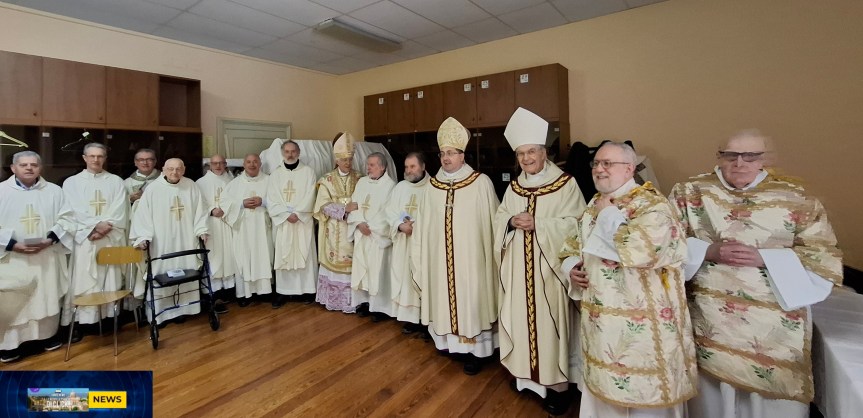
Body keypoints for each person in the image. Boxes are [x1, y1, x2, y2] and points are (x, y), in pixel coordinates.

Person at [670, 130, 843, 418]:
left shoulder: (795, 197)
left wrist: (766, 258)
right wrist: (709, 251)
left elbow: (823, 257)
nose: (739, 163)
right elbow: (662, 241)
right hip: (709, 317)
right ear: (719, 156)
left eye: (750, 156)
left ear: (765, 159)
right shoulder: (690, 192)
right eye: (731, 155)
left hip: (772, 321)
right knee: (712, 399)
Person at [559, 141, 696, 417]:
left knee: (645, 396)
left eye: (607, 163)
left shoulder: (653, 205)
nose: (599, 169)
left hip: (643, 324)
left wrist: (607, 214)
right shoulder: (594, 203)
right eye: (596, 163)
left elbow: (643, 250)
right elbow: (573, 244)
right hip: (601, 324)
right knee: (605, 389)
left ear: (630, 168)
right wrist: (572, 266)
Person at [494, 108, 586, 414]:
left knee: (550, 325)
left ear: (543, 152)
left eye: (531, 151)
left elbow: (578, 224)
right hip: (519, 270)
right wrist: (509, 222)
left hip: (550, 272)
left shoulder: (566, 184)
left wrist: (540, 225)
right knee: (521, 321)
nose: (526, 159)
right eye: (521, 153)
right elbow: (499, 218)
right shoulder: (514, 186)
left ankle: (558, 386)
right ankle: (525, 377)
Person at [414, 117, 500, 375]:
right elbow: (423, 226)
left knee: (472, 298)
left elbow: (492, 224)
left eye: (451, 153)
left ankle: (475, 350)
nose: (446, 158)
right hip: (440, 259)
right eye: (442, 153)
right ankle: (449, 342)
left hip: (471, 260)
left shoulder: (480, 182)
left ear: (463, 155)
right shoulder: (431, 187)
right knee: (444, 294)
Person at [0, 151, 75, 363]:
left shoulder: (54, 191)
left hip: (45, 256)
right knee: (15, 299)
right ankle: (9, 346)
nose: (29, 168)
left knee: (45, 296)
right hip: (12, 259)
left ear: (40, 168)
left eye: (34, 164)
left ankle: (46, 337)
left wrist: (50, 239)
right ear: (13, 168)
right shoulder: (1, 192)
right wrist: (13, 245)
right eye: (23, 165)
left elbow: (68, 219)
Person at [61, 143, 129, 341]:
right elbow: (72, 210)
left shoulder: (116, 181)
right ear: (84, 158)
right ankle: (84, 323)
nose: (96, 160)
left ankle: (108, 319)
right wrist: (93, 227)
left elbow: (120, 209)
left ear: (105, 158)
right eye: (92, 156)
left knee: (109, 278)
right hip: (85, 240)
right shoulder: (71, 183)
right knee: (84, 279)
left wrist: (104, 227)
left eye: (100, 156)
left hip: (108, 238)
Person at [130, 158, 209, 325]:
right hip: (161, 242)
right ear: (163, 170)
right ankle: (161, 313)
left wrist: (202, 230)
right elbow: (142, 215)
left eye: (179, 169)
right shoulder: (153, 189)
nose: (175, 172)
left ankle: (184, 309)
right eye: (171, 169)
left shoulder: (191, 186)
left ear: (184, 169)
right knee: (162, 271)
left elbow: (200, 210)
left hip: (186, 238)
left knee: (186, 269)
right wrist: (143, 236)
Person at [314, 133, 362, 313]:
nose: (347, 163)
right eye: (343, 160)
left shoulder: (360, 178)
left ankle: (354, 302)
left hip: (354, 229)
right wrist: (344, 209)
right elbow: (322, 206)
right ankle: (335, 300)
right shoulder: (326, 180)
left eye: (350, 159)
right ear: (337, 159)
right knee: (335, 264)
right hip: (334, 231)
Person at [267, 140, 318, 308]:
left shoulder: (309, 172)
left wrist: (299, 213)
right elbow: (271, 198)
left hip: (302, 221)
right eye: (287, 151)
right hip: (284, 222)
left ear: (299, 153)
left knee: (304, 251)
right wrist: (285, 214)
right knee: (284, 254)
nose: (290, 154)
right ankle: (282, 291)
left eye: (293, 151)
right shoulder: (275, 174)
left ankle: (307, 290)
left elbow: (311, 195)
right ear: (282, 153)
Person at [348, 152, 396, 320]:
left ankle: (380, 307)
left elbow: (388, 213)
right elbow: (354, 206)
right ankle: (365, 302)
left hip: (377, 237)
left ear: (382, 166)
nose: (368, 168)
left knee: (377, 271)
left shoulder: (390, 186)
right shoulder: (361, 182)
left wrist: (373, 228)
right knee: (363, 269)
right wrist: (359, 223)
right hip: (362, 233)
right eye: (368, 164)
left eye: (373, 165)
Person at [221, 154, 273, 307]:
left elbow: (279, 201)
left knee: (264, 256)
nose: (252, 164)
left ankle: (265, 291)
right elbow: (224, 203)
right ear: (243, 164)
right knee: (243, 258)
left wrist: (263, 202)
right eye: (249, 162)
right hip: (242, 228)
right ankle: (245, 293)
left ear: (260, 163)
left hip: (262, 228)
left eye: (255, 161)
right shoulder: (234, 183)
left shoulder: (269, 181)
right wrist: (241, 204)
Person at [385, 152, 429, 333]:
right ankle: (410, 319)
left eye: (413, 166)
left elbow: (434, 214)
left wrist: (416, 226)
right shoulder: (400, 187)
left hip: (423, 245)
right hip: (403, 242)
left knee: (423, 279)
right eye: (406, 167)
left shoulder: (433, 187)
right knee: (405, 279)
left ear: (423, 166)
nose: (409, 171)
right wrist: (400, 225)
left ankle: (426, 320)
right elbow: (389, 210)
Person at [196, 154, 235, 313]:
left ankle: (229, 291)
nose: (218, 166)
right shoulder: (200, 183)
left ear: (226, 164)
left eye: (221, 163)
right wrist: (212, 210)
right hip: (211, 225)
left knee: (230, 255)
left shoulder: (232, 182)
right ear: (209, 165)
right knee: (215, 257)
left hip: (229, 224)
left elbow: (237, 200)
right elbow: (198, 204)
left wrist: (227, 210)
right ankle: (214, 293)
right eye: (215, 163)